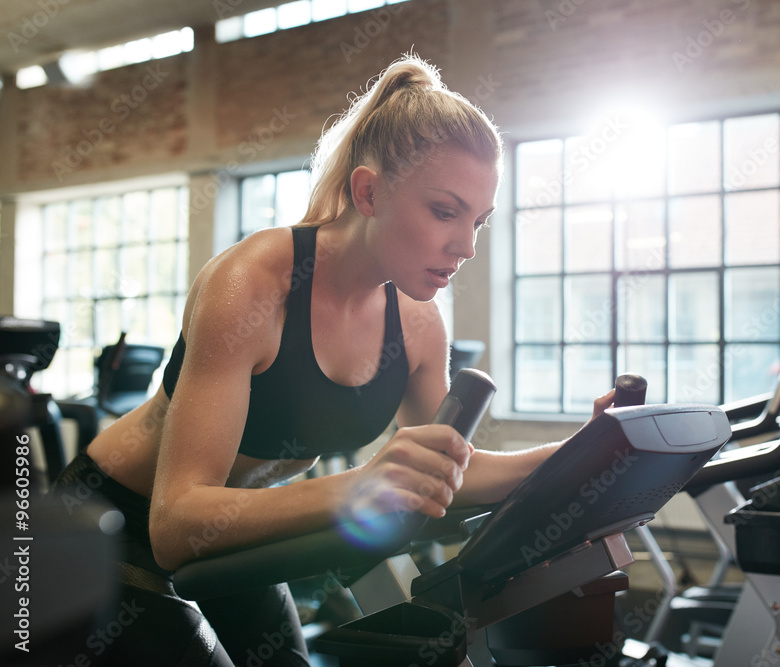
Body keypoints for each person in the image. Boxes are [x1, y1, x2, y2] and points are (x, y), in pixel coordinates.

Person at [50, 55, 613, 666]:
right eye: (445, 212)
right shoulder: (255, 284)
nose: (467, 245)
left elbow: (451, 471)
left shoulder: (419, 325)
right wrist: (364, 486)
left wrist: (586, 451)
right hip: (111, 526)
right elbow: (175, 520)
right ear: (368, 191)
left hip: (236, 531)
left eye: (478, 220)